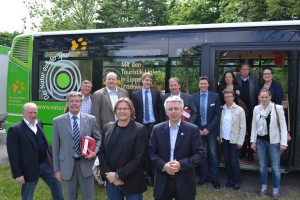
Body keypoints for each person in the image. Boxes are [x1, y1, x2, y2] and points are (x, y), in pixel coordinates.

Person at [148, 96, 205, 200]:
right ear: (166, 111)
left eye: (176, 108)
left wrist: (181, 164)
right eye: (170, 109)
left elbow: (200, 154)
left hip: (185, 181)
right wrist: (163, 165)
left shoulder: (192, 130)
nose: (173, 112)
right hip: (163, 181)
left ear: (182, 110)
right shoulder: (157, 129)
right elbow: (151, 153)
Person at [6, 102, 63, 200]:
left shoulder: (39, 123)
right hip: (28, 169)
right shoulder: (15, 130)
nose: (33, 115)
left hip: (45, 164)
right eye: (30, 113)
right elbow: (13, 155)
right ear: (23, 113)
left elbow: (43, 143)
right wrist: (18, 174)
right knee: (28, 194)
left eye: (35, 112)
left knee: (57, 185)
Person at [52, 91, 101, 200]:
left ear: (81, 103)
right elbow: (55, 148)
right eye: (72, 101)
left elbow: (98, 139)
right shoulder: (58, 121)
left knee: (89, 197)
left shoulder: (90, 119)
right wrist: (57, 169)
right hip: (67, 166)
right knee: (70, 197)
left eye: (77, 101)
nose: (74, 103)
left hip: (86, 165)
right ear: (67, 103)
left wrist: (95, 152)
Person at [98, 97, 148, 200]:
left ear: (131, 111)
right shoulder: (107, 128)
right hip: (112, 181)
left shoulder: (139, 129)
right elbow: (101, 152)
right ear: (115, 111)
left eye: (125, 108)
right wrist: (109, 174)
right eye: (119, 109)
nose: (122, 111)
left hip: (132, 181)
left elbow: (139, 158)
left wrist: (118, 174)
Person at [250, 89, 288, 199]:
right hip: (260, 142)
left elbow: (284, 126)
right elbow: (254, 126)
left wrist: (283, 143)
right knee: (262, 166)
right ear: (258, 97)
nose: (264, 99)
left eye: (266, 97)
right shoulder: (256, 109)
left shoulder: (278, 108)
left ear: (270, 97)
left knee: (275, 167)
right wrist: (253, 141)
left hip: (274, 142)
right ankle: (263, 188)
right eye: (262, 97)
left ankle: (275, 190)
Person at [131, 72, 163, 185]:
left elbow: (159, 109)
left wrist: (162, 123)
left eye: (150, 80)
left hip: (154, 126)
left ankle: (153, 175)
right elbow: (133, 111)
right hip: (141, 127)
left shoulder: (155, 93)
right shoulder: (135, 94)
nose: (148, 82)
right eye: (146, 80)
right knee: (142, 150)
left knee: (154, 150)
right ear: (142, 81)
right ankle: (145, 174)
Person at [192, 76, 221, 189]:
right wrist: (197, 128)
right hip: (198, 131)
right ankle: (204, 176)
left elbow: (217, 114)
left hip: (211, 131)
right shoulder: (193, 97)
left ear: (208, 85)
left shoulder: (215, 96)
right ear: (198, 85)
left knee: (213, 154)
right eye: (201, 83)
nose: (203, 85)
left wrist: (208, 128)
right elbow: (192, 113)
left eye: (205, 83)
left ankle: (215, 178)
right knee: (202, 154)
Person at [219, 89, 246, 190]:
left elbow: (243, 127)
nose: (227, 98)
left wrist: (240, 141)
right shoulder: (222, 109)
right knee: (227, 161)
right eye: (226, 97)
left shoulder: (239, 110)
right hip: (225, 139)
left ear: (233, 97)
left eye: (229, 96)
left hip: (234, 140)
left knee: (234, 161)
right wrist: (220, 138)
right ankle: (230, 180)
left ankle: (237, 181)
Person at [235, 63, 260, 161]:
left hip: (252, 110)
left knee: (250, 131)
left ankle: (250, 152)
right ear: (240, 70)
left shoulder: (255, 80)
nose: (245, 71)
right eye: (243, 69)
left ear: (249, 70)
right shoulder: (236, 80)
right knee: (241, 130)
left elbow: (258, 94)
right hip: (240, 110)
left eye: (247, 69)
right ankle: (242, 150)